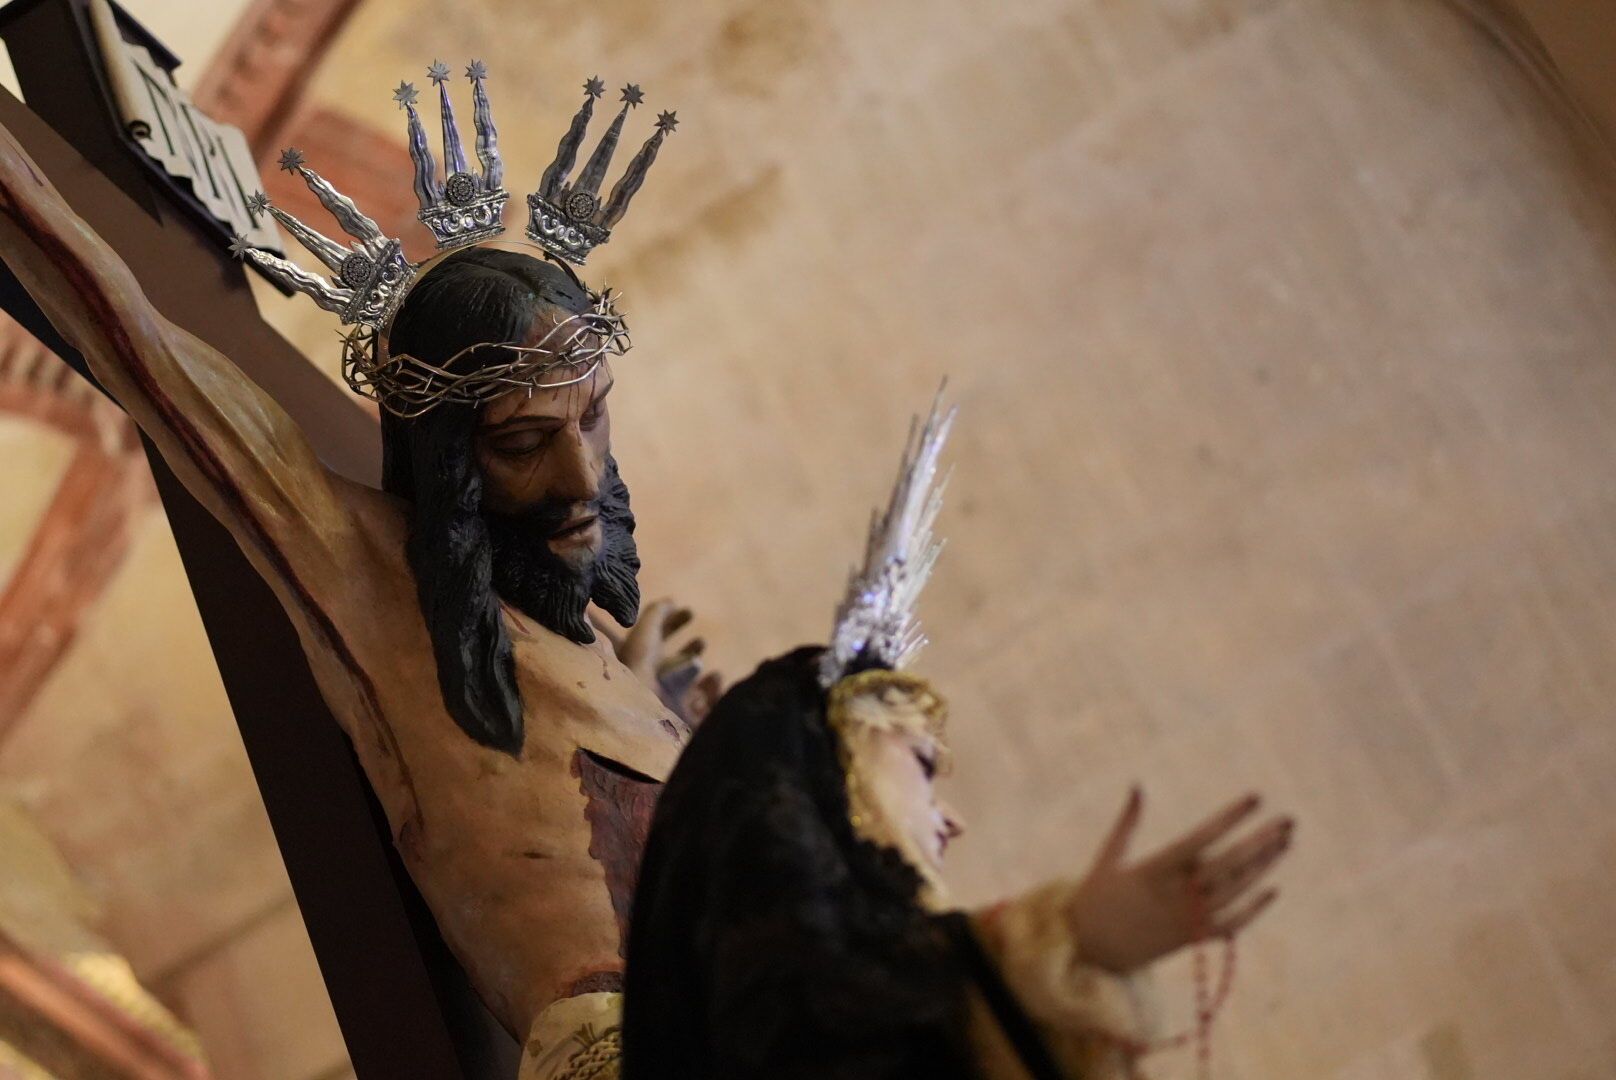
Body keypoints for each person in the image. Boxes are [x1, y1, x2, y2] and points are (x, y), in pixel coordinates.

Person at [0, 63, 709, 1076]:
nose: (582, 477)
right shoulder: (369, 575)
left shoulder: (591, 646)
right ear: (446, 460)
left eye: (592, 417)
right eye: (522, 444)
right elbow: (146, 351)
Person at [623, 399, 1293, 1079]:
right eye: (921, 765)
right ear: (821, 790)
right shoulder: (767, 1006)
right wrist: (1062, 949)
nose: (953, 819)